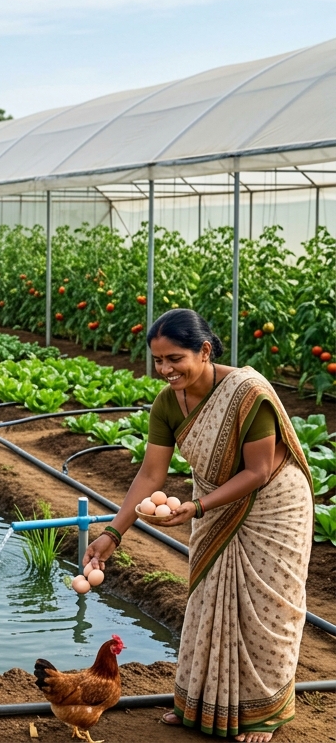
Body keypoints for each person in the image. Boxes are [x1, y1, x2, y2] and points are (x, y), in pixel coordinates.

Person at [82, 309, 313, 743]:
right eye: (158, 361)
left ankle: (264, 714)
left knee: (266, 609)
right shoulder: (168, 403)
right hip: (214, 501)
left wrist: (198, 506)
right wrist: (113, 534)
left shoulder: (247, 393)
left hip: (273, 505)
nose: (166, 370)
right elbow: (150, 476)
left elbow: (260, 471)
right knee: (210, 601)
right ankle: (201, 704)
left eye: (175, 359)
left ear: (204, 351)